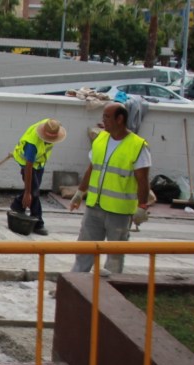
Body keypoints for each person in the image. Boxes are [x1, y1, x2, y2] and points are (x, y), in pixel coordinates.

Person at [69, 103, 151, 275]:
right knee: (85, 250)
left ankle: (111, 290)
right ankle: (75, 283)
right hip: (94, 207)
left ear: (120, 119)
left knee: (115, 256)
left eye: (106, 116)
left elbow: (142, 179)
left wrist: (142, 207)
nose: (103, 120)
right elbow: (92, 168)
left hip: (119, 212)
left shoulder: (137, 146)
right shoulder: (101, 139)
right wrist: (79, 193)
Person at [10, 118, 67, 236]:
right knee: (33, 191)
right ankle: (38, 222)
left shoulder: (50, 124)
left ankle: (17, 206)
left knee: (33, 190)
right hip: (27, 163)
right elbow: (28, 167)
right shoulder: (32, 144)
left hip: (39, 162)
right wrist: (27, 192)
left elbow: (55, 124)